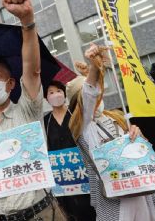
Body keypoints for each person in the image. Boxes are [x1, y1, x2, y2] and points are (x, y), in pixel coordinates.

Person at [0, 0, 67, 220]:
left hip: (44, 212)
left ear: (11, 83)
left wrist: (27, 23)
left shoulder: (27, 109)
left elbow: (32, 68)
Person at [67, 43, 155, 221]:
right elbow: (89, 93)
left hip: (139, 189)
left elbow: (144, 151)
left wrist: (138, 135)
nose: (97, 94)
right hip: (116, 199)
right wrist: (95, 67)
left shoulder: (116, 117)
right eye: (93, 91)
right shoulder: (83, 127)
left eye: (99, 90)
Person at [44, 80, 96, 221]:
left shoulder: (75, 113)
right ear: (46, 98)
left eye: (59, 91)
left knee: (91, 209)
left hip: (84, 173)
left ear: (65, 93)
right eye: (51, 92)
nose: (55, 95)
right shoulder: (44, 122)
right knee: (70, 212)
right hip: (62, 179)